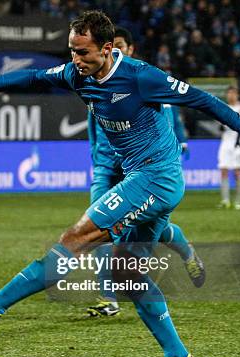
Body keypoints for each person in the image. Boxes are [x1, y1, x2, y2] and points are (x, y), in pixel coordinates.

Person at [0, 10, 240, 357]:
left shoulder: (140, 76)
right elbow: (34, 76)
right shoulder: (77, 73)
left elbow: (202, 100)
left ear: (106, 49)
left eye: (83, 52)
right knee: (127, 272)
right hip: (142, 177)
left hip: (155, 177)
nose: (75, 60)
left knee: (75, 240)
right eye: (71, 50)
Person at [86, 27, 205, 318]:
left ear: (129, 49)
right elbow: (92, 124)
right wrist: (96, 156)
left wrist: (177, 146)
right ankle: (108, 297)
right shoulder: (94, 83)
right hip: (106, 167)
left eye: (121, 47)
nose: (116, 53)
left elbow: (166, 119)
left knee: (155, 229)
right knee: (98, 228)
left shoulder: (145, 82)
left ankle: (186, 251)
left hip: (141, 168)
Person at [217, 85, 240, 210]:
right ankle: (225, 200)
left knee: (237, 172)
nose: (231, 96)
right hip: (225, 142)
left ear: (237, 95)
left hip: (238, 143)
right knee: (223, 170)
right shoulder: (223, 108)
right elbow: (220, 127)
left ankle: (237, 202)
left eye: (233, 93)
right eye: (229, 93)